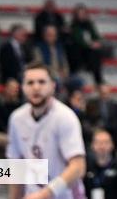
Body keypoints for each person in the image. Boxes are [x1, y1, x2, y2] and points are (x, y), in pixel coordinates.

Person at [6, 61, 86, 199]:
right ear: (23, 88)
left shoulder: (65, 117)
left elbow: (78, 167)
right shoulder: (16, 119)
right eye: (30, 83)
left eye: (42, 82)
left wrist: (47, 193)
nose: (36, 87)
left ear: (52, 86)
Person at [83, 128, 117, 199]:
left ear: (112, 145)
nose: (102, 146)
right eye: (98, 142)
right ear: (92, 145)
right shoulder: (87, 168)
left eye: (106, 142)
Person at [68, 4, 105, 85]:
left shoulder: (89, 24)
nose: (82, 16)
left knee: (96, 53)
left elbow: (95, 36)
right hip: (79, 49)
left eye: (83, 14)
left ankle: (98, 79)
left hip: (89, 49)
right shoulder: (74, 25)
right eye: (80, 14)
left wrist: (96, 42)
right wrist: (90, 45)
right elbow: (77, 39)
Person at [84, 83, 117, 148]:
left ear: (109, 93)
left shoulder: (115, 105)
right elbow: (88, 118)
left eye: (106, 93)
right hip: (96, 129)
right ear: (99, 93)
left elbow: (116, 121)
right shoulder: (92, 103)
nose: (104, 95)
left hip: (110, 130)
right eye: (102, 93)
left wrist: (107, 127)